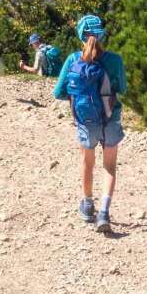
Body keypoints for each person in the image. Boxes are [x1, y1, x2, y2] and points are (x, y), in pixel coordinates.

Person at [54, 14, 127, 235]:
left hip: (85, 121)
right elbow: (122, 88)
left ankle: (87, 205)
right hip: (110, 118)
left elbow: (58, 92)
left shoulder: (73, 60)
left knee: (87, 162)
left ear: (79, 35)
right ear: (102, 35)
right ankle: (104, 212)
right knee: (110, 167)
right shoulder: (115, 60)